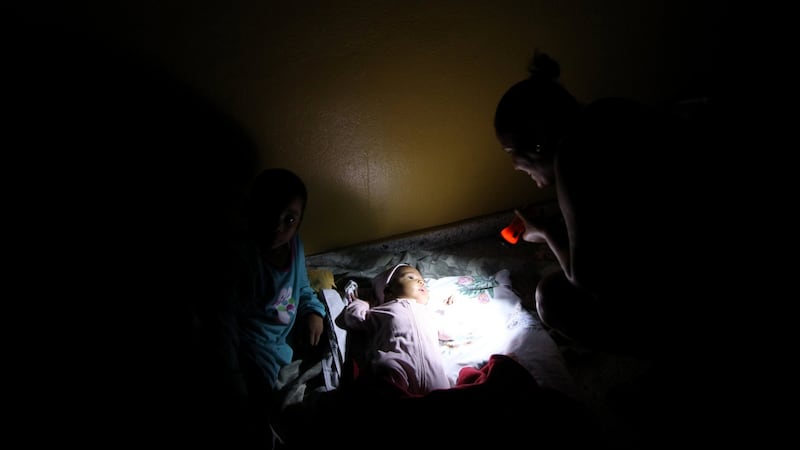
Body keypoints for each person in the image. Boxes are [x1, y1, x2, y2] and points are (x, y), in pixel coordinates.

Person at [493, 51, 710, 358]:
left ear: (538, 143)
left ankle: (657, 350)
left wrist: (546, 230)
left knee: (551, 295)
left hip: (677, 291)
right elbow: (618, 214)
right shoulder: (608, 111)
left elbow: (590, 278)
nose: (515, 166)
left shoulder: (572, 153)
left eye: (511, 152)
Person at [195, 168, 327, 448]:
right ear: (252, 209)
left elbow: (302, 287)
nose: (277, 227)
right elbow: (223, 324)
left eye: (289, 219)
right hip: (254, 350)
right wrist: (234, 381)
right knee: (262, 413)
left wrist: (314, 311)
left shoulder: (294, 245)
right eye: (270, 213)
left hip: (286, 340)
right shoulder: (239, 259)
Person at [335, 263, 452, 395]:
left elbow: (447, 332)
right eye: (411, 277)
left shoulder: (429, 313)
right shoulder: (381, 311)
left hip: (434, 370)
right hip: (395, 363)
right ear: (388, 291)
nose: (421, 281)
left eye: (423, 281)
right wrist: (364, 303)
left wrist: (446, 309)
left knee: (444, 392)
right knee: (384, 377)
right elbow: (354, 318)